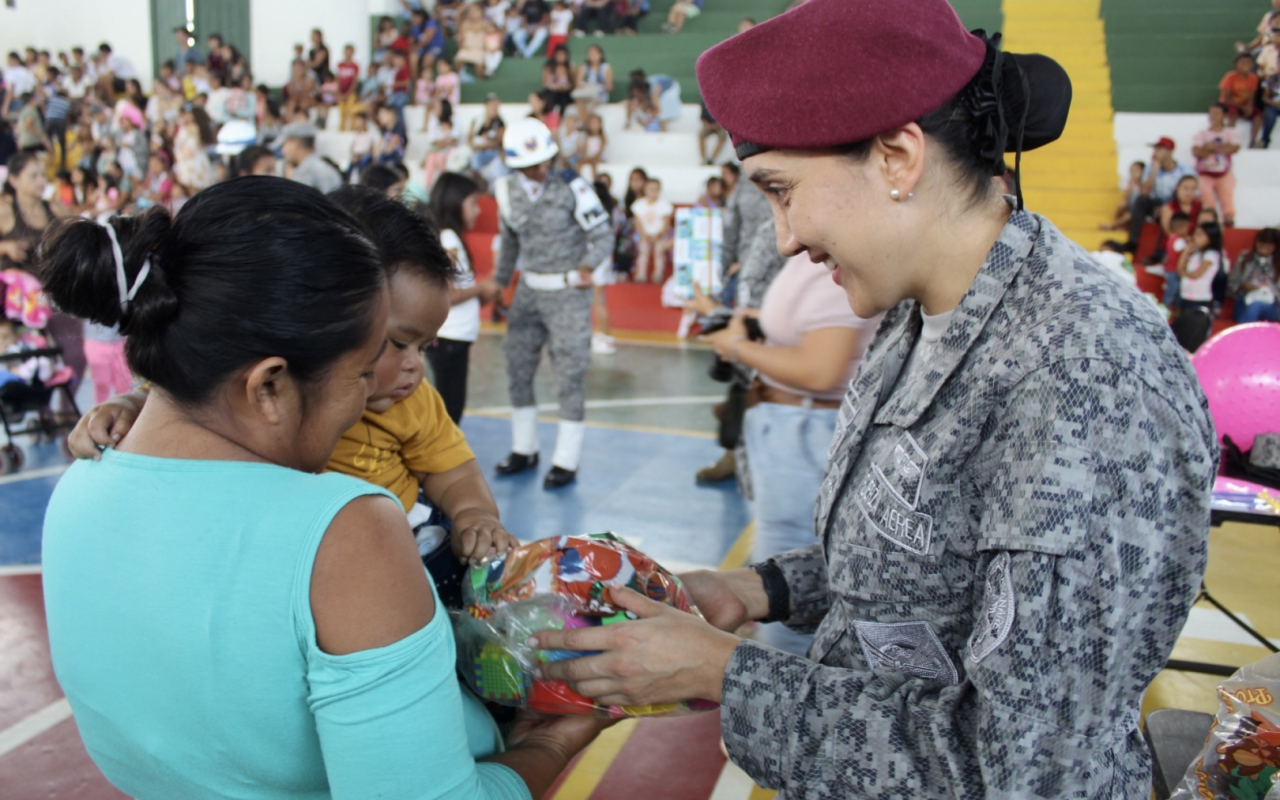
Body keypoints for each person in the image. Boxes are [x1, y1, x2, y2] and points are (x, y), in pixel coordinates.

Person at [524, 3, 1220, 798]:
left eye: (783, 190)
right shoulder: (921, 306)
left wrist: (724, 673)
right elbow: (927, 550)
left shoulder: (1085, 378)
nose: (784, 236)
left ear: (897, 156)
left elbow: (1026, 772)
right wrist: (759, 590)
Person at [43, 178, 606, 799]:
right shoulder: (348, 534)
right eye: (363, 372)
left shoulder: (77, 489)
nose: (377, 393)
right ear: (268, 386)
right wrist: (549, 745)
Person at [700, 253, 883, 655]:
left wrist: (737, 348)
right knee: (782, 564)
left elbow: (820, 370)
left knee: (787, 580)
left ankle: (783, 672)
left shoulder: (834, 263)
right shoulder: (810, 259)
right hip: (791, 426)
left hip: (807, 431)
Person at [491, 117, 613, 489]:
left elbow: (603, 233)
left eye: (545, 161)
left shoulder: (573, 185)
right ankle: (524, 447)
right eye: (532, 165)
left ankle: (566, 459)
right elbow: (509, 240)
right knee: (518, 368)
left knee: (569, 375)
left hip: (567, 293)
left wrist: (587, 266)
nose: (541, 170)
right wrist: (500, 282)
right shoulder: (505, 190)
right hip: (528, 292)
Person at [2, 152, 83, 384]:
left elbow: (82, 240)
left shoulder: (56, 209)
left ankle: (64, 404)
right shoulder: (5, 211)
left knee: (76, 355)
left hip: (55, 292)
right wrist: (6, 247)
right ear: (14, 180)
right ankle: (36, 403)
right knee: (29, 359)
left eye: (42, 175)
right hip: (19, 303)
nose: (41, 181)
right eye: (33, 176)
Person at [427, 172, 501, 423]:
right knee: (451, 410)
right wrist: (481, 288)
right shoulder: (449, 239)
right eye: (473, 203)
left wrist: (483, 294)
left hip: (455, 337)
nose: (478, 210)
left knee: (451, 405)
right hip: (450, 337)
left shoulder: (451, 237)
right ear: (454, 202)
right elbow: (448, 293)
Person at [1127, 136, 1195, 248]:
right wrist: (1155, 170)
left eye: (1159, 149)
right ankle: (1133, 242)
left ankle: (1163, 248)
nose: (1155, 152)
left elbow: (1191, 192)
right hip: (1157, 203)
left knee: (1167, 209)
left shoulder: (1184, 170)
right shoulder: (1151, 167)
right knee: (1141, 200)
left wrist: (1167, 207)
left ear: (1169, 151)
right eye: (1155, 149)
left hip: (1176, 204)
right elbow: (1144, 192)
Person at [1191, 104, 1240, 227]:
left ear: (1224, 116)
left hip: (1224, 172)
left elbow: (1234, 148)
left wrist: (1211, 147)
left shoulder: (1230, 132)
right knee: (1205, 194)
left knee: (1226, 194)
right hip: (1205, 172)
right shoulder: (1201, 133)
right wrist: (1222, 148)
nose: (1213, 116)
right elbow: (1196, 151)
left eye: (1217, 113)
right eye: (1211, 113)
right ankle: (1210, 219)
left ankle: (1228, 218)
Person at [1230, 227, 1280, 322]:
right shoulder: (1244, 258)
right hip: (1245, 300)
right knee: (1251, 307)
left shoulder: (1277, 264)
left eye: (1268, 245)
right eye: (1261, 243)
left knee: (1255, 306)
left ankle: (1245, 330)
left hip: (1270, 304)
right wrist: (1244, 286)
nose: (1264, 247)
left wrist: (1267, 288)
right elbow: (1231, 284)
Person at [279, 121, 343, 193]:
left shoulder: (305, 173)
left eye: (284, 145)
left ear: (295, 144)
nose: (282, 151)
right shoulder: (329, 170)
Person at [630, 178, 673, 283]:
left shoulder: (664, 205)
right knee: (643, 251)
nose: (653, 191)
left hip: (660, 235)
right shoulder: (639, 204)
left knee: (659, 251)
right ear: (645, 190)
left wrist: (659, 235)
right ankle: (641, 274)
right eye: (650, 189)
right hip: (644, 235)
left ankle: (658, 274)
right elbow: (637, 222)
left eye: (655, 189)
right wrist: (644, 235)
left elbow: (666, 223)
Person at [1219, 53, 1262, 145]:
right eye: (1242, 62)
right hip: (1230, 104)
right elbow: (1227, 98)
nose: (1246, 65)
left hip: (1243, 104)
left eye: (1248, 62)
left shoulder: (1253, 78)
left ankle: (1252, 142)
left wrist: (1249, 107)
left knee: (1258, 116)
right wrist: (1242, 107)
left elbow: (1251, 95)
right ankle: (1227, 140)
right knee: (1233, 115)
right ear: (1236, 65)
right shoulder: (1230, 77)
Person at [572, 45, 613, 122]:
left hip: (599, 94)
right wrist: (583, 86)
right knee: (579, 101)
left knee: (591, 102)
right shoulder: (583, 67)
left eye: (595, 53)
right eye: (590, 53)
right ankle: (585, 122)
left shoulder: (606, 68)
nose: (592, 55)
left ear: (601, 55)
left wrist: (600, 87)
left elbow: (609, 87)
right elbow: (578, 83)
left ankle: (585, 122)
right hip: (585, 94)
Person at [1160, 210, 1192, 309]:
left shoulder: (1171, 238)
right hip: (1175, 270)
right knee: (1172, 290)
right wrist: (1190, 244)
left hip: (1169, 269)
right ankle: (1165, 307)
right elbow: (1185, 252)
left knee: (1172, 289)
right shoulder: (1179, 241)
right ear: (1179, 228)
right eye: (1186, 227)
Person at [578, 113, 606, 182]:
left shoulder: (602, 137)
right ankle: (578, 179)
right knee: (579, 163)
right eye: (592, 122)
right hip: (588, 157)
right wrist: (585, 157)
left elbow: (601, 150)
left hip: (597, 157)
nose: (593, 124)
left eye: (596, 122)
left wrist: (594, 157)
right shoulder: (586, 137)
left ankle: (595, 181)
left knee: (593, 163)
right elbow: (585, 149)